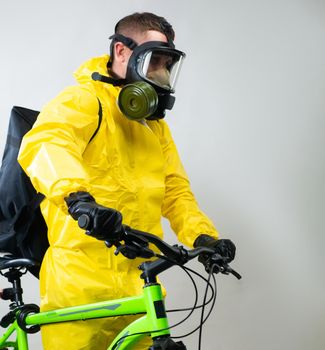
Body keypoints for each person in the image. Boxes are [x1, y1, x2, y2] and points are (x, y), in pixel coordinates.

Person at [18, 12, 236, 350]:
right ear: (122, 52)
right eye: (154, 61)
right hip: (80, 282)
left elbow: (175, 191)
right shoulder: (84, 100)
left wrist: (204, 236)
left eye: (166, 64)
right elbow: (47, 144)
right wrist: (78, 200)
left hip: (139, 278)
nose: (160, 73)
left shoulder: (154, 126)